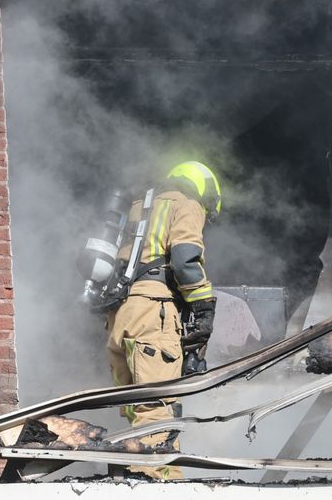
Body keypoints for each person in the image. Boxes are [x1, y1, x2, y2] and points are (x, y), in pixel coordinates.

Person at [106, 160, 220, 480]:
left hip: (120, 315)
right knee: (158, 407)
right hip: (151, 313)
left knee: (136, 406)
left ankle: (134, 476)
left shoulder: (139, 206)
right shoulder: (186, 204)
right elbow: (185, 259)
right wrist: (204, 307)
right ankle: (159, 483)